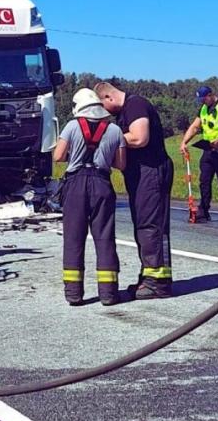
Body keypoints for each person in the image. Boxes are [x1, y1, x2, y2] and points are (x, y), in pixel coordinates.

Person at [94, 81, 174, 299]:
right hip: (141, 173)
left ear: (108, 97)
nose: (105, 113)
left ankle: (158, 282)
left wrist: (107, 139)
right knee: (143, 224)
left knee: (150, 226)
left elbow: (139, 137)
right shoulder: (124, 112)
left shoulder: (135, 105)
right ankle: (149, 276)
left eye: (103, 107)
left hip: (151, 171)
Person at [54, 89, 127, 306]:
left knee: (74, 239)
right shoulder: (115, 130)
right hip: (102, 183)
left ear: (79, 108)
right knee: (104, 238)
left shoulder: (71, 126)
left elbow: (58, 156)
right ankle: (108, 294)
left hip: (76, 184)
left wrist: (75, 152)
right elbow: (121, 164)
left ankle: (74, 294)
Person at [179, 86, 218, 223]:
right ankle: (203, 211)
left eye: (204, 98)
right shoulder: (204, 109)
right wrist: (184, 142)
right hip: (208, 149)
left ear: (211, 95)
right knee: (204, 181)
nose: (202, 102)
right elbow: (195, 127)